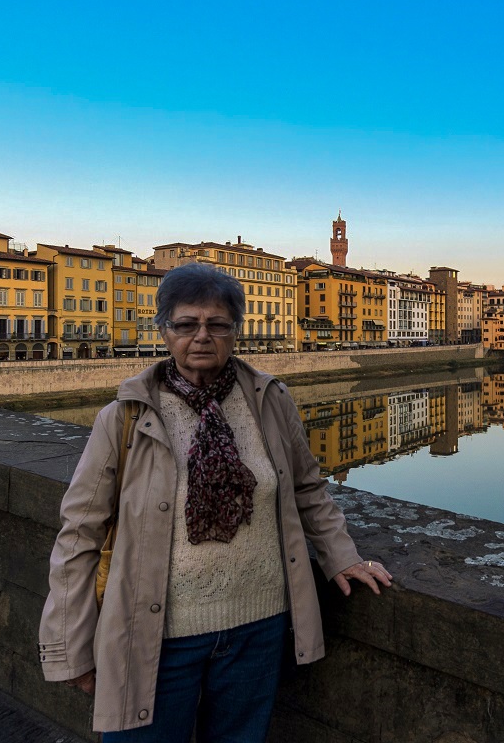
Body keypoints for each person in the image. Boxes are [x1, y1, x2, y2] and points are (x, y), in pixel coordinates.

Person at [38, 263, 392, 741]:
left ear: (235, 332)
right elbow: (79, 534)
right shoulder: (124, 418)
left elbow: (307, 488)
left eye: (217, 325)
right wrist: (71, 646)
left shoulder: (270, 400)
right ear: (164, 331)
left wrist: (342, 556)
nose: (202, 337)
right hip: (156, 638)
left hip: (259, 629)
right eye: (186, 325)